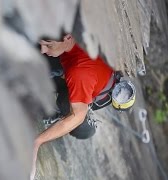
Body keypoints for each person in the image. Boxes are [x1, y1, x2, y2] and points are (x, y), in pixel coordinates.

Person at [30, 34, 116, 180]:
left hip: (86, 81)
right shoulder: (70, 42)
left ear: (68, 38)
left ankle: (59, 112)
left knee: (82, 129)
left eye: (48, 45)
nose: (44, 49)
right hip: (74, 64)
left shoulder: (79, 73)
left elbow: (78, 116)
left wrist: (37, 142)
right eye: (43, 45)